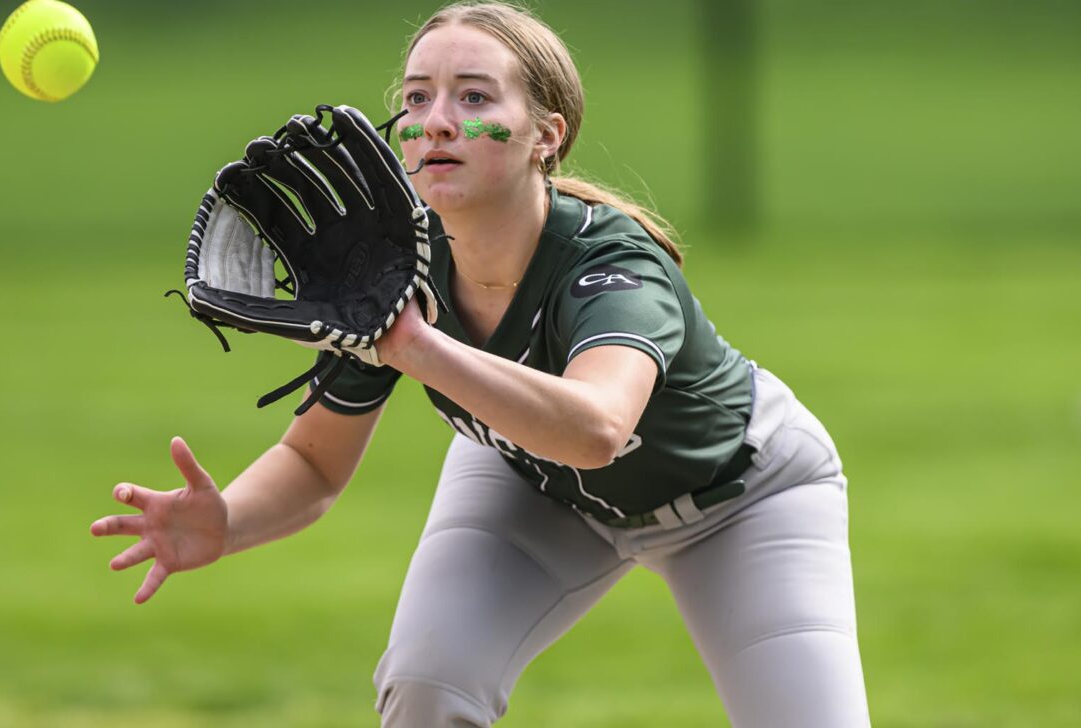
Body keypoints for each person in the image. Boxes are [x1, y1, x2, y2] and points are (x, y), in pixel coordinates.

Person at [90, 2, 872, 726]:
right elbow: (314, 463)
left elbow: (596, 429)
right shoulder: (397, 267)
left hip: (739, 496)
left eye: (472, 98)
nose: (436, 122)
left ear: (546, 135)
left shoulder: (611, 264)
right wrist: (229, 522)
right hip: (532, 482)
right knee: (429, 682)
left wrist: (418, 348)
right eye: (418, 96)